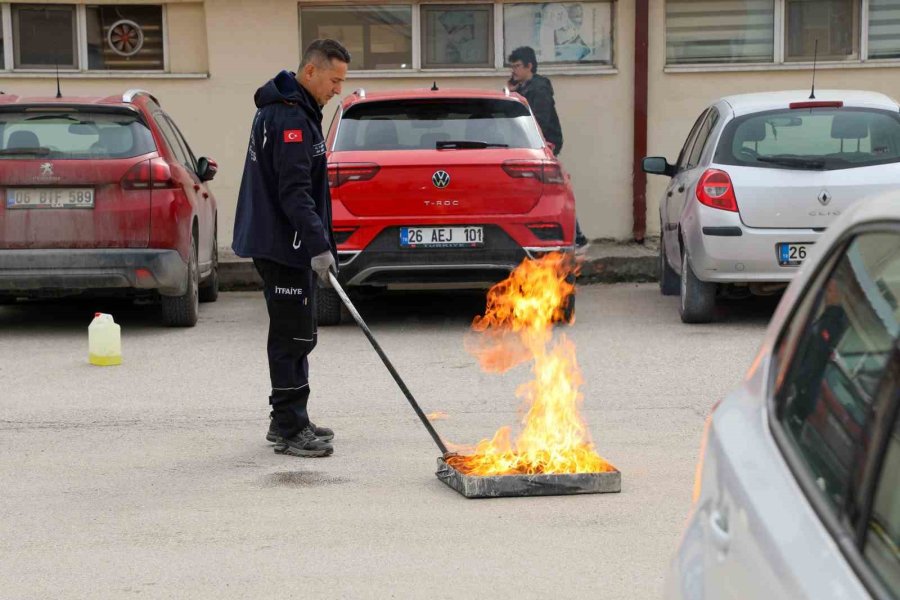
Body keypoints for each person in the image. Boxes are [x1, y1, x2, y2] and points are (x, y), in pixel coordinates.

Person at [232, 39, 350, 458]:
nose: (338, 89)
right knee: (291, 336)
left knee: (297, 333)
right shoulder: (289, 120)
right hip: (283, 244)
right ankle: (289, 429)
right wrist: (319, 247)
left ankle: (288, 417)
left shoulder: (293, 109)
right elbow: (295, 194)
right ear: (311, 72)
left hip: (283, 241)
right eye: (334, 80)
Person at [507, 46, 589, 252]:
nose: (514, 70)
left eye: (517, 66)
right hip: (532, 144)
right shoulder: (525, 87)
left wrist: (538, 144)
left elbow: (539, 120)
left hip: (544, 143)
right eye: (512, 67)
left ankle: (577, 235)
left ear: (529, 66)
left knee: (553, 188)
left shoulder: (539, 89)